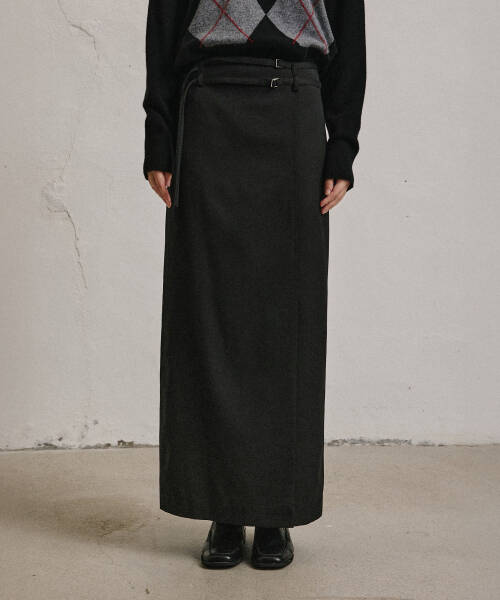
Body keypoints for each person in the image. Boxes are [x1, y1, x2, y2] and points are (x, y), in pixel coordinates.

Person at [142, 0, 366, 570]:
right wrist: (158, 136)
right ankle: (223, 510)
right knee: (210, 316)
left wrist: (342, 143)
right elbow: (164, 28)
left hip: (293, 113)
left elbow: (348, 35)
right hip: (209, 114)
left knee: (284, 320)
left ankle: (274, 511)